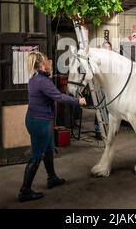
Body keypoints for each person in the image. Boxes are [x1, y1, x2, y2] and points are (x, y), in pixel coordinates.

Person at [18, 51, 86, 202]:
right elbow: (59, 97)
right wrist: (77, 101)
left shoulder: (36, 79)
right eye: (47, 60)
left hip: (39, 120)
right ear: (42, 64)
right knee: (36, 156)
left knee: (48, 150)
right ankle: (25, 191)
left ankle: (52, 178)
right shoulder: (42, 82)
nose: (50, 61)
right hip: (40, 122)